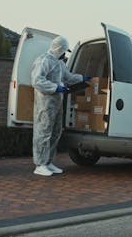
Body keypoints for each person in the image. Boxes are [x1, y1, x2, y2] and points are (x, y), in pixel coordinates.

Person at [30, 36, 91, 176]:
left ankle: (48, 162)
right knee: (43, 132)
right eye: (64, 50)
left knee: (55, 132)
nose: (65, 53)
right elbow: (37, 80)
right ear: (58, 49)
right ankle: (40, 164)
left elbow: (68, 77)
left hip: (57, 103)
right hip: (45, 104)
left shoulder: (59, 63)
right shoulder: (44, 60)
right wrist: (55, 87)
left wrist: (82, 78)